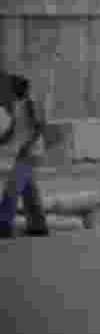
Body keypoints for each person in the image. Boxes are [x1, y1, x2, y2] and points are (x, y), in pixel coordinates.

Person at [0, 75, 49, 239]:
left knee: (12, 188)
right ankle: (38, 226)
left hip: (30, 152)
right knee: (29, 190)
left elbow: (40, 126)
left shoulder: (30, 103)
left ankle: (3, 226)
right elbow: (14, 128)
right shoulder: (17, 105)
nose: (11, 90)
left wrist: (27, 146)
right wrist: (2, 139)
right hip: (24, 151)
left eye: (14, 87)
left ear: (22, 88)